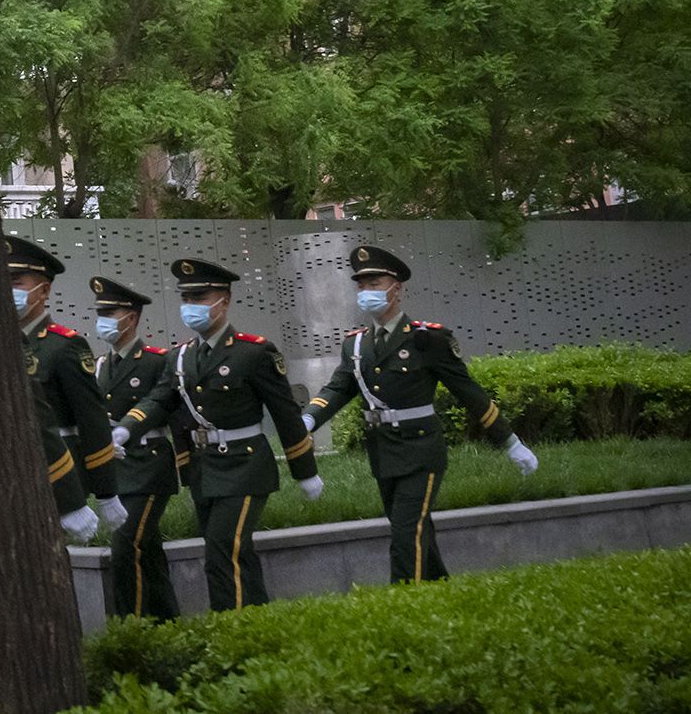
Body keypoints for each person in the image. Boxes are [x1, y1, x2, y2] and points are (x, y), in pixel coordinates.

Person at [301, 245, 539, 583]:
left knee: (405, 534)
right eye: (361, 285)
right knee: (416, 528)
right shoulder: (356, 345)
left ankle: (405, 598)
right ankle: (438, 588)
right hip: (383, 452)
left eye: (375, 284)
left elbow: (468, 391)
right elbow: (338, 389)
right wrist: (308, 420)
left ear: (396, 289)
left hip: (420, 451)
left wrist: (510, 442)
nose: (366, 292)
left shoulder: (428, 339)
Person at [117, 258, 320, 611]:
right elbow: (159, 400)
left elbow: (286, 414)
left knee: (223, 550)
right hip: (205, 468)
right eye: (186, 298)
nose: (191, 306)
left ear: (223, 301)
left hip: (245, 466)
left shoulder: (254, 352)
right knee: (231, 552)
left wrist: (305, 470)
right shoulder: (180, 357)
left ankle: (233, 629)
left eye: (199, 297)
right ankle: (257, 621)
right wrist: (127, 428)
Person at [6, 236, 124, 539]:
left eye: (16, 282)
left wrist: (105, 492)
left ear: (43, 290)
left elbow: (91, 420)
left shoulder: (64, 347)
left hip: (58, 475)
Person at [90, 276, 191, 621]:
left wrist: (186, 466)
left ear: (130, 318)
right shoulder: (101, 366)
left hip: (148, 467)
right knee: (146, 548)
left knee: (125, 545)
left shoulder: (157, 361)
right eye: (100, 313)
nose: (102, 320)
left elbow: (170, 411)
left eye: (109, 313)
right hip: (117, 470)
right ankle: (166, 621)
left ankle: (131, 627)